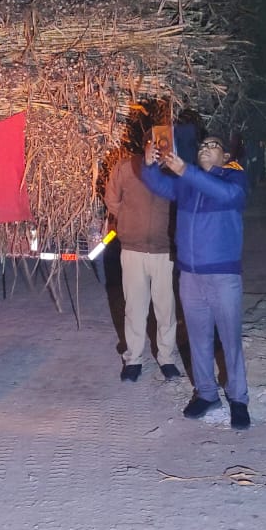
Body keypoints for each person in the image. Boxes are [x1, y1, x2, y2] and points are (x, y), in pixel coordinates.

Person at [141, 130, 251, 429]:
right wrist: (149, 164)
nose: (205, 148)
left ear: (226, 156)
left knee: (229, 339)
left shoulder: (234, 178)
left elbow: (227, 195)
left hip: (222, 274)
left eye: (213, 146)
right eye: (202, 145)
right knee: (198, 338)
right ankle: (206, 393)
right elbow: (158, 185)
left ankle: (238, 399)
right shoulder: (187, 183)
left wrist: (186, 171)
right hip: (190, 274)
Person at [104, 141, 182, 383]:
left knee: (166, 308)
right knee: (134, 308)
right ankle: (133, 360)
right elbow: (111, 198)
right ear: (145, 143)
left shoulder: (174, 168)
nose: (157, 146)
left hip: (164, 250)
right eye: (153, 141)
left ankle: (167, 358)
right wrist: (129, 220)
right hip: (133, 249)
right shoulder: (126, 167)